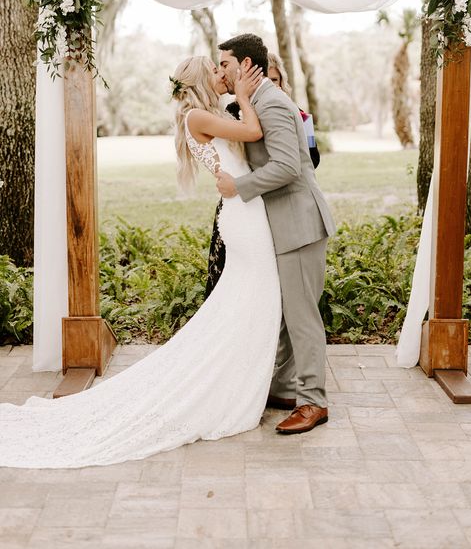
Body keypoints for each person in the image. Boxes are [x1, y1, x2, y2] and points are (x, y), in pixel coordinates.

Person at [0, 56, 282, 468]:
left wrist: (239, 98)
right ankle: (229, 388)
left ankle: (234, 381)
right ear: (204, 80)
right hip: (244, 218)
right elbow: (253, 131)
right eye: (217, 71)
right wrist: (242, 95)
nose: (224, 75)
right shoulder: (198, 116)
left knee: (245, 303)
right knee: (252, 300)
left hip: (244, 212)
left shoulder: (207, 114)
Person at [216, 33, 336, 434]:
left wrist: (239, 188)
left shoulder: (272, 103)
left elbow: (289, 166)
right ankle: (285, 388)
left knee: (302, 317)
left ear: (248, 65)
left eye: (226, 64)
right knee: (284, 313)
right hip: (281, 225)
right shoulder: (257, 101)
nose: (222, 72)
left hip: (299, 225)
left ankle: (313, 401)